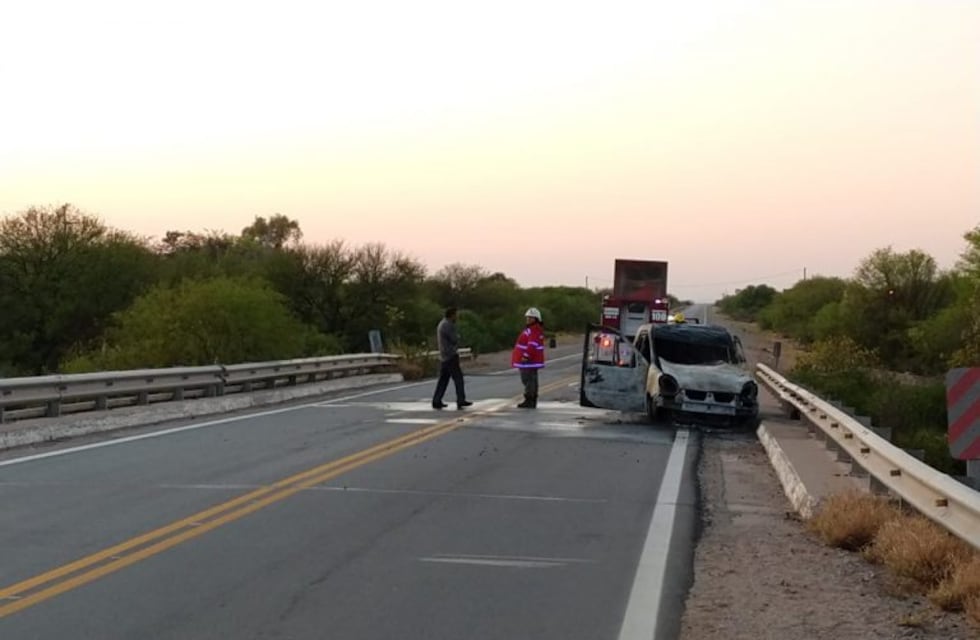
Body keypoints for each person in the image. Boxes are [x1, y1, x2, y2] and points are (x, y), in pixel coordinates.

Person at [432, 307, 473, 410]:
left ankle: (436, 400)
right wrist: (458, 337)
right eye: (456, 315)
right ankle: (460, 400)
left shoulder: (442, 324)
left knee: (443, 380)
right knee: (458, 378)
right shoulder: (448, 325)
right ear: (451, 315)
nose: (457, 317)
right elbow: (454, 339)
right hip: (450, 355)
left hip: (444, 355)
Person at [511, 307, 546, 408]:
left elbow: (532, 345)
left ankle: (530, 400)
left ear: (536, 319)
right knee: (531, 380)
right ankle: (531, 399)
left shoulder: (533, 330)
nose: (528, 320)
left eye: (531, 318)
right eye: (527, 318)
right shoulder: (533, 329)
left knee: (528, 380)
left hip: (529, 361)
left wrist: (526, 356)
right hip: (531, 361)